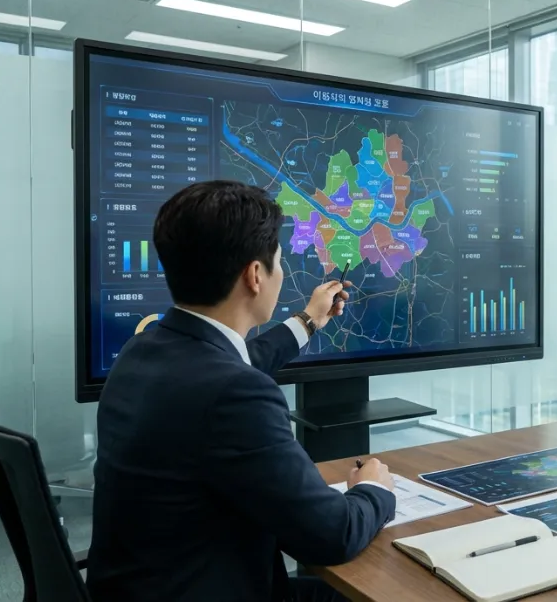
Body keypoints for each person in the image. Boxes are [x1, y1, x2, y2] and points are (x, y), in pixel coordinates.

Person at [87, 181, 396, 602]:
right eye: (279, 263)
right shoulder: (235, 394)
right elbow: (332, 535)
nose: (281, 274)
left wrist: (308, 320)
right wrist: (374, 489)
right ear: (255, 275)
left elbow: (233, 360)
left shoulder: (143, 351)